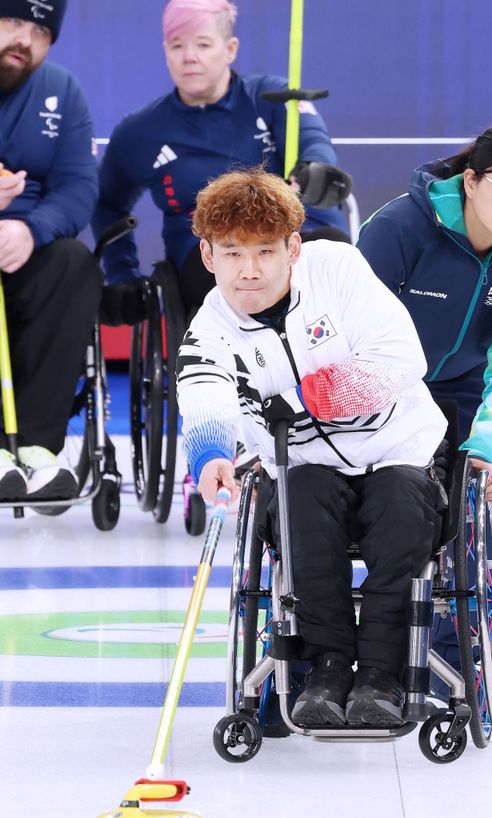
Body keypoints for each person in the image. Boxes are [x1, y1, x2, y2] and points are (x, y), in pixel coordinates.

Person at [176, 168, 447, 727]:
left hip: (396, 449)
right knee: (299, 504)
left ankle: (381, 673)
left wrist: (302, 400)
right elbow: (204, 395)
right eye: (232, 253)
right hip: (303, 465)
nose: (249, 270)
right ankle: (327, 668)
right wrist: (210, 456)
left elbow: (400, 358)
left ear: (293, 248)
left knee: (400, 507)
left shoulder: (338, 269)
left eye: (265, 251)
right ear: (208, 256)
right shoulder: (209, 330)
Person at [357, 123, 492, 703]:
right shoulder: (400, 226)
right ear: (471, 181)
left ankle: (459, 661)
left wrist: (484, 448)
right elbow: (351, 334)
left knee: (488, 506)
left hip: (467, 388)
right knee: (377, 507)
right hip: (383, 384)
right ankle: (343, 655)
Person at [92, 0, 352, 330]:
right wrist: (123, 274)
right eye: (177, 45)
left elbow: (313, 140)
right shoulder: (140, 131)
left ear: (230, 49)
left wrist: (315, 169)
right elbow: (107, 203)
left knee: (333, 257)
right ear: (166, 51)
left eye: (203, 44)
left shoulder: (273, 98)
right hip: (210, 258)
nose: (189, 56)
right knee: (229, 270)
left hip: (298, 239)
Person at [0, 0, 101, 502]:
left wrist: (31, 230)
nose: (25, 39)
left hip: (26, 242)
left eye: (41, 30)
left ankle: (38, 447)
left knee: (74, 264)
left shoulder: (61, 90)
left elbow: (78, 186)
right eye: (12, 21)